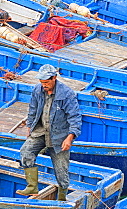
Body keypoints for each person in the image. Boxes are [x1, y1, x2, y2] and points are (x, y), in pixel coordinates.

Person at [16, 63, 81, 201]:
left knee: (61, 171)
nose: (43, 85)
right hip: (40, 132)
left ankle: (62, 198)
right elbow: (32, 109)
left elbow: (75, 118)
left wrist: (70, 138)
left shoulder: (67, 94)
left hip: (59, 137)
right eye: (41, 82)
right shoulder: (37, 90)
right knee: (26, 152)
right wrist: (30, 126)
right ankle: (32, 187)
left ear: (54, 78)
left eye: (46, 82)